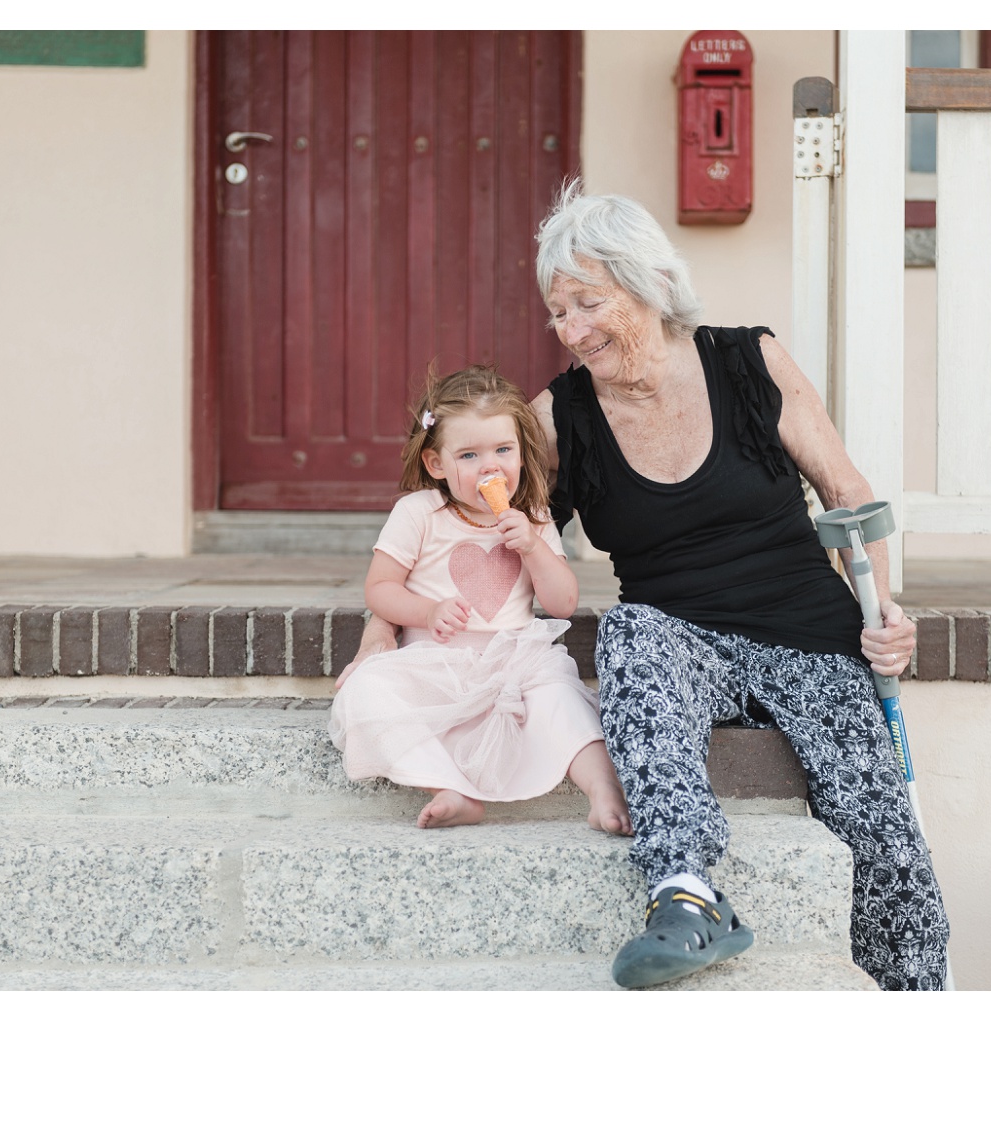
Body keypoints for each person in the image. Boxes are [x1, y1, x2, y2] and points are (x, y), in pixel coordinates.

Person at [342, 184, 948, 991]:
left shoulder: (749, 361)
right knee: (630, 627)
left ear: (651, 283)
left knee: (888, 853)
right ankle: (686, 890)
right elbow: (476, 531)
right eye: (559, 311)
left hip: (810, 636)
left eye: (589, 302)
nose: (571, 330)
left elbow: (846, 489)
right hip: (677, 641)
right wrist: (382, 631)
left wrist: (887, 612)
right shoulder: (564, 416)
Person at [329, 364, 632, 836]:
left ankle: (601, 789)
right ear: (436, 465)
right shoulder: (418, 513)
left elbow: (563, 603)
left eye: (502, 450)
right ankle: (448, 787)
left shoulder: (531, 516)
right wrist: (426, 612)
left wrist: (533, 546)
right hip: (434, 664)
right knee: (364, 693)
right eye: (469, 455)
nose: (490, 466)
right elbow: (380, 588)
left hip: (515, 662)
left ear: (520, 453)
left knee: (562, 701)